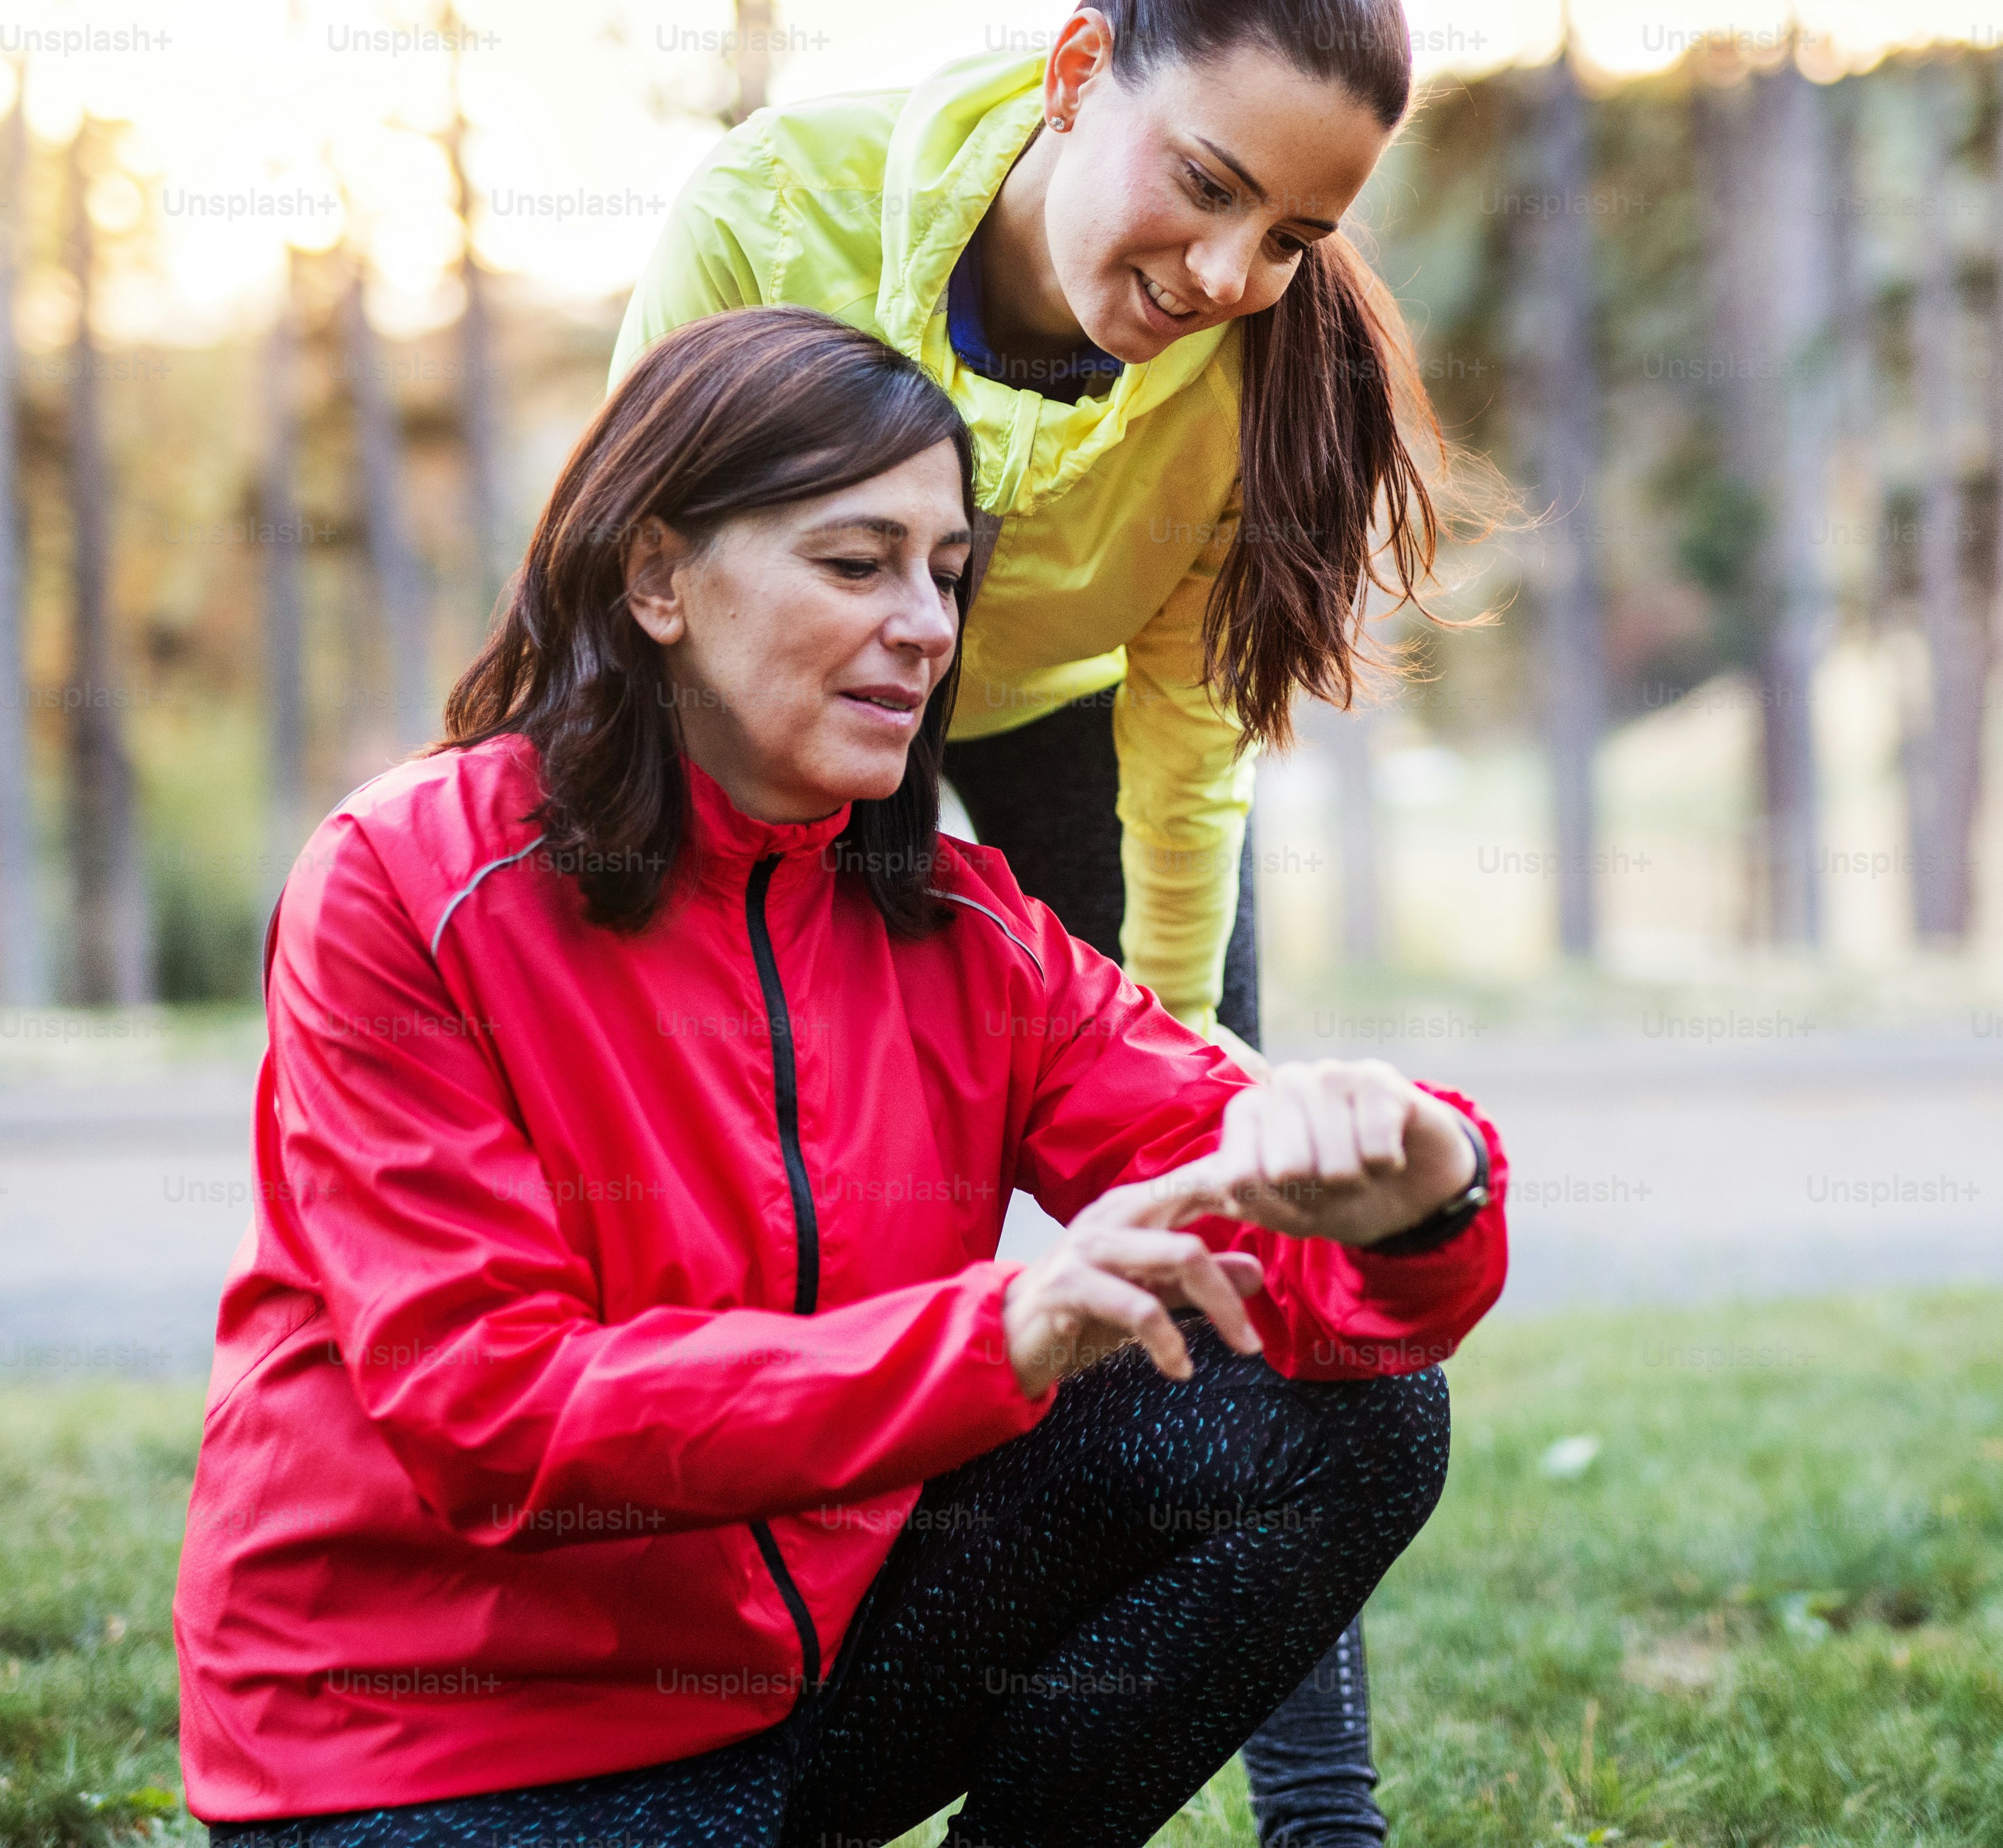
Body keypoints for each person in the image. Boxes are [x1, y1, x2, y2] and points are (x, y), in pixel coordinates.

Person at [175, 308, 1508, 1848]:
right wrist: (998, 1333)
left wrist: (1420, 1180)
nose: (928, 627)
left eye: (946, 575)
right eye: (856, 563)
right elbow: (495, 1416)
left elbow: (1289, 1237)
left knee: (1345, 1416)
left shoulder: (962, 928)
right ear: (658, 574)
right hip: (441, 1751)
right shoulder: (407, 884)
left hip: (802, 1696)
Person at [608, 0, 1484, 1839]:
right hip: (805, 716)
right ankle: (725, 1693)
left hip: (1065, 721)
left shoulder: (1253, 367)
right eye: (1210, 186)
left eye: (1300, 238)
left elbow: (1186, 745)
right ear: (1080, 73)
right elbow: (633, 577)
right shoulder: (777, 211)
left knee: (1265, 1255)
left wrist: (1177, 1085)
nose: (1238, 270)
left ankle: (1320, 1808)